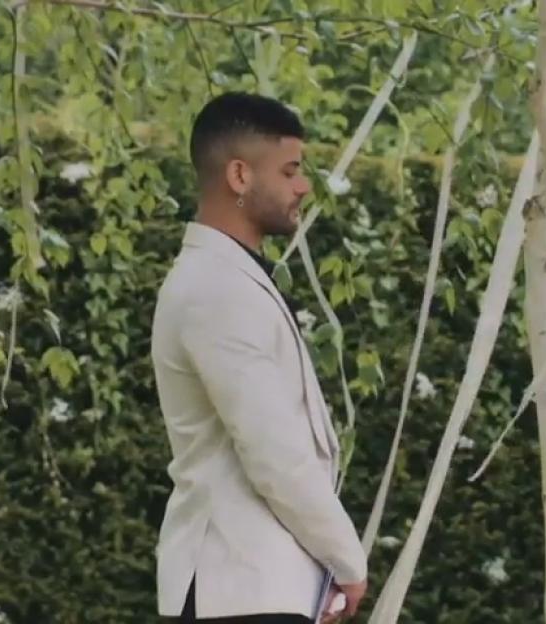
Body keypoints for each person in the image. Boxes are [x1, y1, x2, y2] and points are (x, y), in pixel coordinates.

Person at [151, 92, 366, 623]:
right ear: (240, 175)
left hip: (254, 588)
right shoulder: (216, 288)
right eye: (290, 170)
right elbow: (274, 452)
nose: (303, 186)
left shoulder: (224, 277)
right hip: (241, 590)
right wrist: (347, 559)